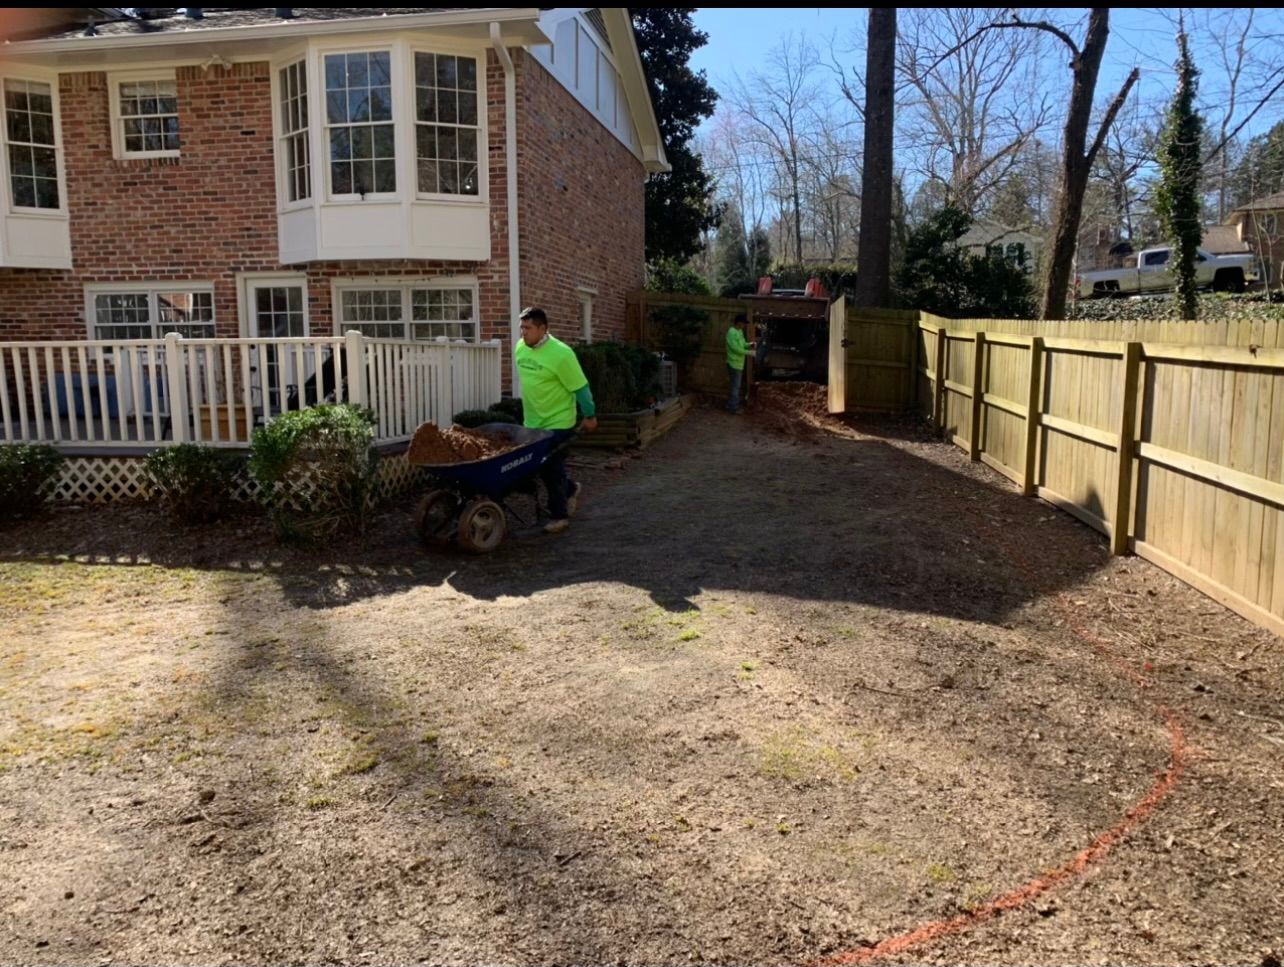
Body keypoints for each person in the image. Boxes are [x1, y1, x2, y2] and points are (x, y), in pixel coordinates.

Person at [514, 306, 598, 534]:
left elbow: (581, 388)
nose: (523, 332)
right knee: (538, 466)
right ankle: (570, 488)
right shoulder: (520, 347)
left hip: (559, 422)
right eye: (521, 327)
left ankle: (560, 515)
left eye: (528, 328)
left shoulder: (562, 354)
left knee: (551, 467)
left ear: (543, 328)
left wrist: (589, 415)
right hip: (532, 422)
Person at [725, 312, 756, 413]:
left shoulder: (739, 332)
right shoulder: (731, 332)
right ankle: (733, 408)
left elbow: (742, 345)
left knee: (735, 386)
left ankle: (730, 405)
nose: (745, 325)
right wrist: (749, 353)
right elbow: (735, 349)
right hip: (733, 363)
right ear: (738, 322)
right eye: (743, 323)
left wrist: (749, 345)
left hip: (739, 364)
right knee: (735, 386)